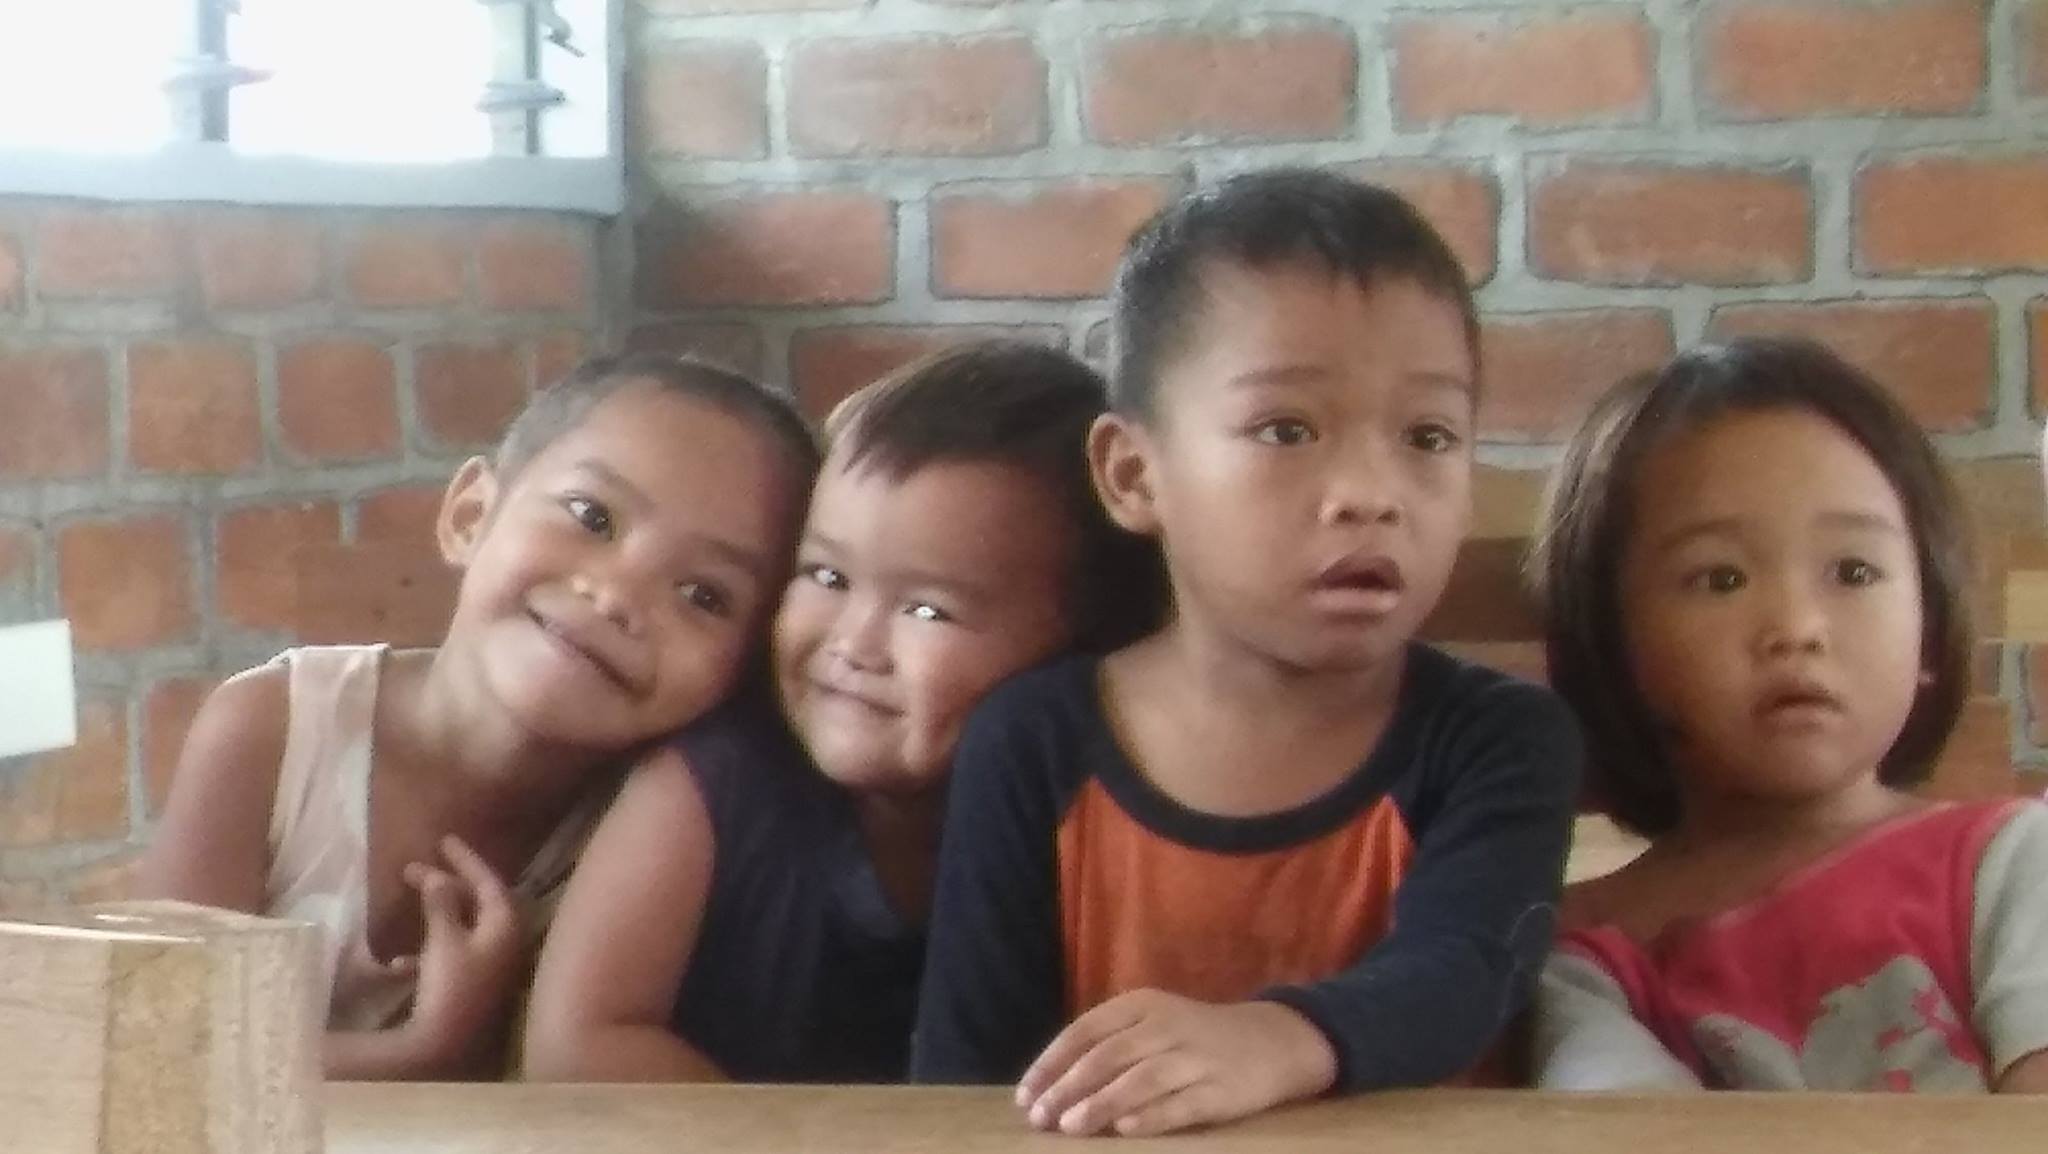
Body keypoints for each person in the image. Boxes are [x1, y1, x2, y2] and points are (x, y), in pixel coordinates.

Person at [910, 167, 1584, 1135]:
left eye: (1428, 436)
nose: (1370, 492)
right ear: (1134, 474)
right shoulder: (1034, 742)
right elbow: (964, 1082)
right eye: (1286, 428)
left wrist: (1274, 1039)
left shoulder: (1500, 738)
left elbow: (1465, 971)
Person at [138, 353, 819, 1080]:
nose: (619, 595)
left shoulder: (667, 827)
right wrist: (422, 1053)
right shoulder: (274, 732)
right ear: (470, 517)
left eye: (705, 595)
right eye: (592, 517)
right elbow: (152, 1051)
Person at [520, 341, 1161, 1083]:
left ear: (1085, 649)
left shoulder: (1090, 818)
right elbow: (578, 1046)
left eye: (928, 610)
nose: (852, 644)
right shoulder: (714, 781)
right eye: (826, 576)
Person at [1526, 338, 2048, 1092]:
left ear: (1930, 632)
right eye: (1721, 578)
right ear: (1613, 643)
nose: (1797, 627)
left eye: (1853, 571)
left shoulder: (2013, 862)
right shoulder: (1579, 953)